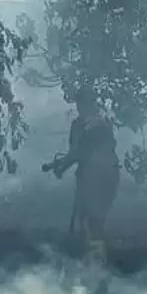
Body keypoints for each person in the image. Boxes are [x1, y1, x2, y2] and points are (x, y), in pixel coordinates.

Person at [45, 87, 120, 260]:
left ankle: (94, 261)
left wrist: (61, 168)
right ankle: (98, 257)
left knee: (89, 219)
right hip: (110, 175)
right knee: (97, 219)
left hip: (92, 177)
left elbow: (76, 153)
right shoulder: (104, 122)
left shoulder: (80, 124)